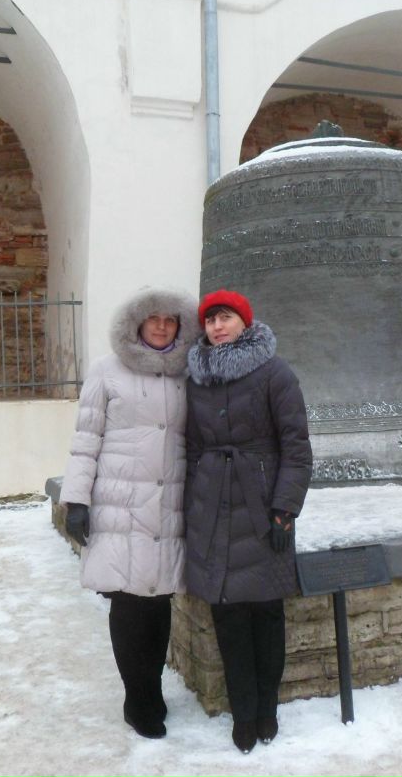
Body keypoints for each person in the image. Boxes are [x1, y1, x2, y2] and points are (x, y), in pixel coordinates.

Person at [57, 286, 199, 739]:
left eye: (170, 319)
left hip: (168, 505)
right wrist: (77, 500)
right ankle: (137, 699)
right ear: (136, 324)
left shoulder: (187, 374)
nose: (161, 325)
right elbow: (86, 439)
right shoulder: (106, 370)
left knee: (158, 604)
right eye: (153, 318)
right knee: (128, 603)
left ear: (180, 327)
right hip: (121, 502)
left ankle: (152, 691)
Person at [183, 289, 312, 754]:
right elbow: (192, 450)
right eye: (210, 320)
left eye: (226, 318)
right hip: (212, 508)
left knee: (266, 613)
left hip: (262, 509)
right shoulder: (196, 380)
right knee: (227, 615)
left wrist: (285, 508)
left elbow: (296, 448)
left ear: (244, 322)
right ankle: (243, 713)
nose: (217, 327)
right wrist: (190, 506)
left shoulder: (275, 374)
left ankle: (267, 709)